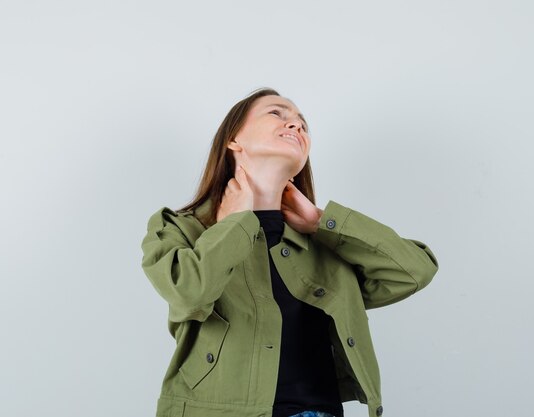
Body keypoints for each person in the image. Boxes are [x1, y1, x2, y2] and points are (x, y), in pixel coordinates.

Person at [140, 88, 439, 417]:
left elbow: (415, 271)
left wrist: (322, 222)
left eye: (303, 124)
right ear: (233, 140)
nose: (296, 125)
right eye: (277, 114)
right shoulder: (181, 228)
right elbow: (189, 295)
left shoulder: (324, 242)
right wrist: (236, 224)